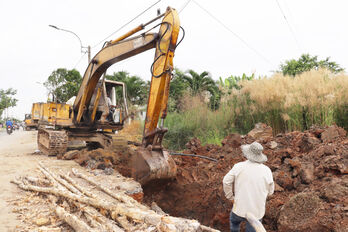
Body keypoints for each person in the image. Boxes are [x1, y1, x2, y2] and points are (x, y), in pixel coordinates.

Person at [223, 141, 274, 232]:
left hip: (239, 209)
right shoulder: (267, 170)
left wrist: (230, 197)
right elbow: (271, 192)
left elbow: (226, 181)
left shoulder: (238, 166)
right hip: (256, 212)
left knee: (234, 222)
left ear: (247, 154)